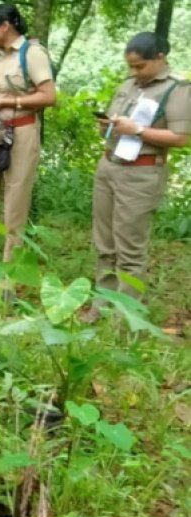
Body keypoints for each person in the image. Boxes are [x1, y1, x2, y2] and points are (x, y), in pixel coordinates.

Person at [81, 32, 190, 322]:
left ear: (160, 58)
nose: (134, 72)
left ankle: (125, 318)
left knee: (130, 249)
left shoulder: (176, 89)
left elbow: (180, 138)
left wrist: (138, 130)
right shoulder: (129, 85)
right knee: (105, 244)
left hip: (141, 173)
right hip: (109, 165)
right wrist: (109, 125)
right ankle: (100, 307)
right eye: (130, 66)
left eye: (140, 66)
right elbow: (118, 123)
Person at [0, 3, 56, 288]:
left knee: (14, 209)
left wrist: (12, 102)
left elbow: (49, 96)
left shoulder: (32, 54)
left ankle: (8, 280)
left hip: (21, 132)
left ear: (6, 26)